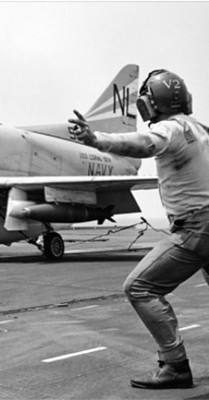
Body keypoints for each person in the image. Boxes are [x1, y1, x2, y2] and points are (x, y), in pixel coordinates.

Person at [68, 69, 209, 390]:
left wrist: (96, 139)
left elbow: (144, 144)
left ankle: (174, 366)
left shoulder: (170, 129)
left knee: (140, 288)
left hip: (195, 227)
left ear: (151, 102)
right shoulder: (201, 130)